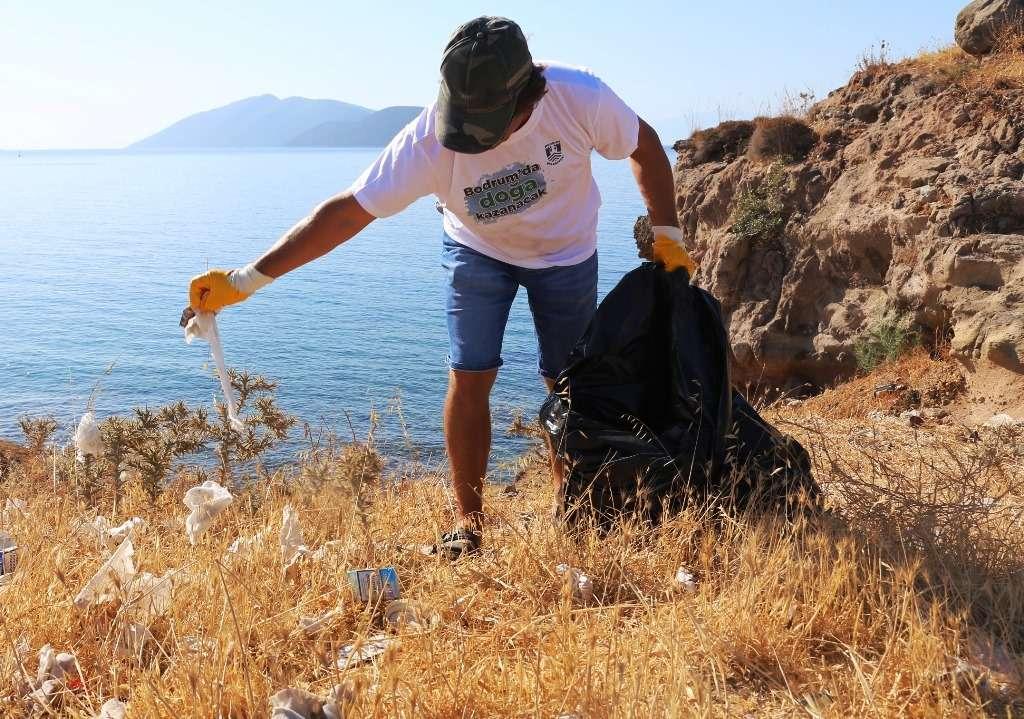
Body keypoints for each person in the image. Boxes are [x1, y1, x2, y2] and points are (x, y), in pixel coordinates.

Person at [188, 16, 695, 558]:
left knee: (567, 384)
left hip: (566, 254)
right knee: (471, 374)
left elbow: (645, 146)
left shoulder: (579, 97)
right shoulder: (427, 140)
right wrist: (246, 279)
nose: (470, 140)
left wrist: (668, 235)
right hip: (477, 251)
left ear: (531, 95)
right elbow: (346, 213)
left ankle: (571, 505)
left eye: (486, 126)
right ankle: (469, 525)